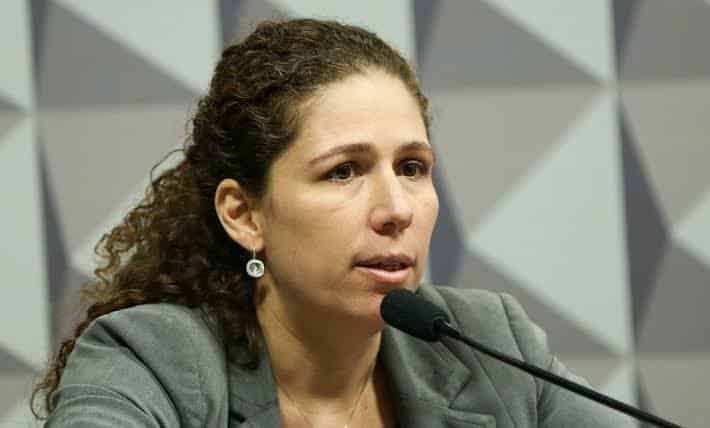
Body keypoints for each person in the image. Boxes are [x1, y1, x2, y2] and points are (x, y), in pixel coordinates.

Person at [33, 18, 631, 427]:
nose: (396, 209)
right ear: (244, 215)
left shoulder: (490, 344)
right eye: (344, 171)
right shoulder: (153, 359)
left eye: (412, 167)